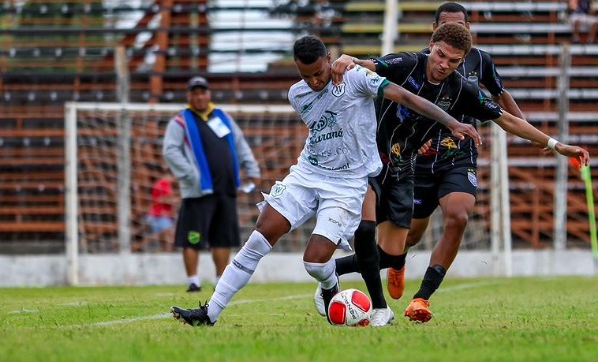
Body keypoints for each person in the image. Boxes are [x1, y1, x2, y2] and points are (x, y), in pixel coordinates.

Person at [170, 35, 482, 327]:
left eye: (319, 72)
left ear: (329, 59)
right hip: (307, 174)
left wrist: (452, 122)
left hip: (347, 183)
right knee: (258, 238)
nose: (315, 81)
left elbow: (404, 96)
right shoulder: (297, 94)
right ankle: (209, 313)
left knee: (315, 263)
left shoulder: (356, 78)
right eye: (306, 76)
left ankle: (331, 287)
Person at [324, 23, 590, 324]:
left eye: (454, 61)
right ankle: (374, 308)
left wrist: (556, 145)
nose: (444, 65)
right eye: (440, 56)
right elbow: (370, 64)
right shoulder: (409, 63)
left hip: (401, 169)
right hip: (368, 162)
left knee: (390, 256)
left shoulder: (461, 89)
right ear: (431, 44)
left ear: (463, 61)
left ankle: (332, 270)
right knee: (367, 231)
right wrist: (350, 59)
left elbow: (508, 121)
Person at [390, 2, 527, 321]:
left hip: (459, 156)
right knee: (410, 234)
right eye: (447, 26)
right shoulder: (418, 63)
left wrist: (525, 128)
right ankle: (396, 261)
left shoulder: (480, 60)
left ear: (469, 29)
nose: (456, 31)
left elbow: (499, 93)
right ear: (433, 32)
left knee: (459, 216)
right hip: (419, 160)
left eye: (461, 25)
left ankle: (422, 298)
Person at [163, 76, 261, 292]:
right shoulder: (181, 122)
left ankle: (220, 280)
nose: (199, 97)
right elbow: (170, 150)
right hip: (199, 191)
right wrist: (190, 175)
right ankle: (193, 281)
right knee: (193, 235)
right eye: (195, 93)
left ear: (209, 94)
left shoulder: (222, 117)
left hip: (225, 188)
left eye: (203, 92)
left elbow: (240, 143)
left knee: (222, 237)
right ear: (189, 96)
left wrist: (252, 169)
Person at [146, 167, 177, 252]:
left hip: (158, 216)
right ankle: (168, 256)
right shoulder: (164, 183)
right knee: (169, 237)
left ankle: (166, 254)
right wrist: (176, 200)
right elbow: (164, 199)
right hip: (159, 216)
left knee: (166, 238)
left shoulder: (159, 183)